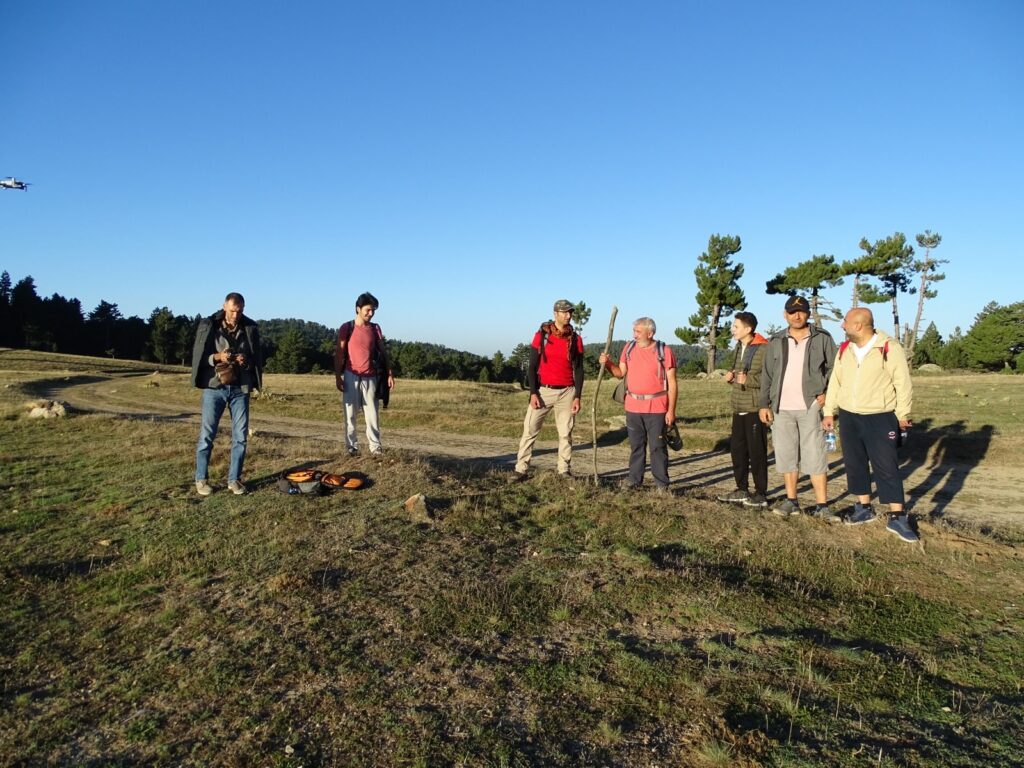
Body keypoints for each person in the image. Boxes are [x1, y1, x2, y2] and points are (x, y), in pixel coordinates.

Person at [823, 308, 917, 542]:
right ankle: (863, 508)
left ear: (858, 325)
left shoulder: (888, 347)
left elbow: (902, 382)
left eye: (845, 322)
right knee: (854, 463)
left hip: (880, 415)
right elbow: (836, 382)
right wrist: (829, 411)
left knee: (886, 466)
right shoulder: (845, 349)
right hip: (848, 415)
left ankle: (897, 516)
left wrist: (903, 414)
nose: (842, 326)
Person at [758, 295, 838, 520]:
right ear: (785, 315)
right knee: (786, 455)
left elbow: (836, 367)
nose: (797, 315)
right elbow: (767, 375)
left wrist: (827, 393)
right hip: (780, 408)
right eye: (792, 312)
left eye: (801, 311)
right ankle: (791, 501)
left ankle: (822, 506)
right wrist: (764, 404)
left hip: (810, 406)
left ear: (808, 314)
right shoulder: (775, 340)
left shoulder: (822, 338)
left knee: (815, 455)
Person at [191, 292, 264, 496]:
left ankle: (234, 479)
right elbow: (199, 358)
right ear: (224, 306)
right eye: (232, 310)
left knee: (240, 437)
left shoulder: (250, 327)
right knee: (207, 436)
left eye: (239, 311)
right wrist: (218, 357)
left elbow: (256, 359)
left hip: (240, 389)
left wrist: (244, 361)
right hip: (214, 388)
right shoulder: (209, 325)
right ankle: (201, 479)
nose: (235, 315)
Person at [599, 317, 678, 492]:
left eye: (638, 331)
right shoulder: (629, 348)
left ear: (650, 333)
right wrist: (607, 364)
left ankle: (662, 485)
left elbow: (672, 383)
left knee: (657, 447)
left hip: (657, 407)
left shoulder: (664, 351)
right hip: (632, 406)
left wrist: (671, 411)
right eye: (634, 331)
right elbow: (620, 374)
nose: (634, 335)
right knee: (636, 446)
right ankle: (634, 481)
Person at [514, 299, 585, 479]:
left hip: (567, 391)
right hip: (543, 391)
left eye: (570, 312)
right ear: (555, 314)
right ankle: (521, 469)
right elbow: (532, 366)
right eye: (564, 312)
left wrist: (577, 396)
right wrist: (533, 393)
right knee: (530, 430)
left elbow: (579, 369)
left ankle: (564, 470)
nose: (568, 316)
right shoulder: (542, 335)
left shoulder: (576, 339)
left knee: (565, 434)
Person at [717, 312, 770, 508]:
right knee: (737, 451)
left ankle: (761, 493)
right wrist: (732, 378)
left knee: (757, 452)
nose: (732, 329)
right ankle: (741, 488)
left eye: (736, 326)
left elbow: (769, 379)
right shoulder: (739, 346)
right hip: (738, 405)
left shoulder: (765, 349)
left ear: (748, 329)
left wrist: (748, 380)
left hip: (755, 408)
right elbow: (739, 376)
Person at [334, 292, 395, 456]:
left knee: (372, 416)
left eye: (373, 310)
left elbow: (383, 351)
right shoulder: (347, 328)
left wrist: (389, 373)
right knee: (350, 415)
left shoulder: (375, 328)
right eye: (368, 310)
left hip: (371, 377)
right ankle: (351, 447)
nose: (371, 313)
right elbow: (339, 353)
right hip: (351, 376)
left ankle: (376, 448)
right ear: (358, 309)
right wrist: (338, 377)